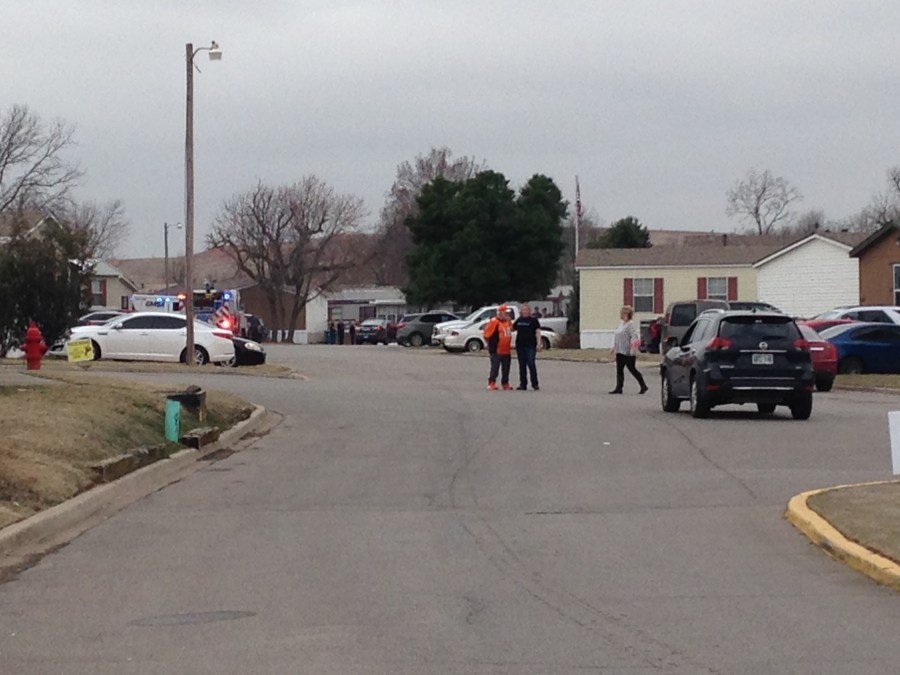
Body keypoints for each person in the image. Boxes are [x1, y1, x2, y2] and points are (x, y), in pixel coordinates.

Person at [609, 305, 648, 394]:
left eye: (623, 313)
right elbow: (617, 336)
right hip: (620, 351)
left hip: (628, 352)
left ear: (627, 314)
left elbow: (634, 337)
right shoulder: (621, 324)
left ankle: (643, 385)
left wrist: (633, 349)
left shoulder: (630, 324)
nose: (621, 315)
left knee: (632, 369)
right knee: (619, 370)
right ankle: (619, 388)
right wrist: (613, 347)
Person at [483, 305, 513, 390]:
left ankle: (505, 382)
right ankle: (491, 382)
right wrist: (491, 345)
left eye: (508, 313)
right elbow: (486, 334)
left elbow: (511, 329)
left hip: (506, 349)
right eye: (506, 313)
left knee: (506, 367)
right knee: (495, 367)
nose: (508, 314)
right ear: (500, 313)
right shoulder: (494, 321)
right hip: (496, 349)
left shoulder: (508, 321)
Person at [512, 303, 541, 391]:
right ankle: (523, 384)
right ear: (521, 311)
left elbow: (538, 332)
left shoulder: (534, 321)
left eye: (526, 310)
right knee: (522, 365)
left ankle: (535, 384)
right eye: (523, 310)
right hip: (520, 345)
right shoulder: (519, 320)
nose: (525, 312)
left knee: (531, 364)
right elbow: (511, 328)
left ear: (529, 311)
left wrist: (538, 343)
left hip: (530, 346)